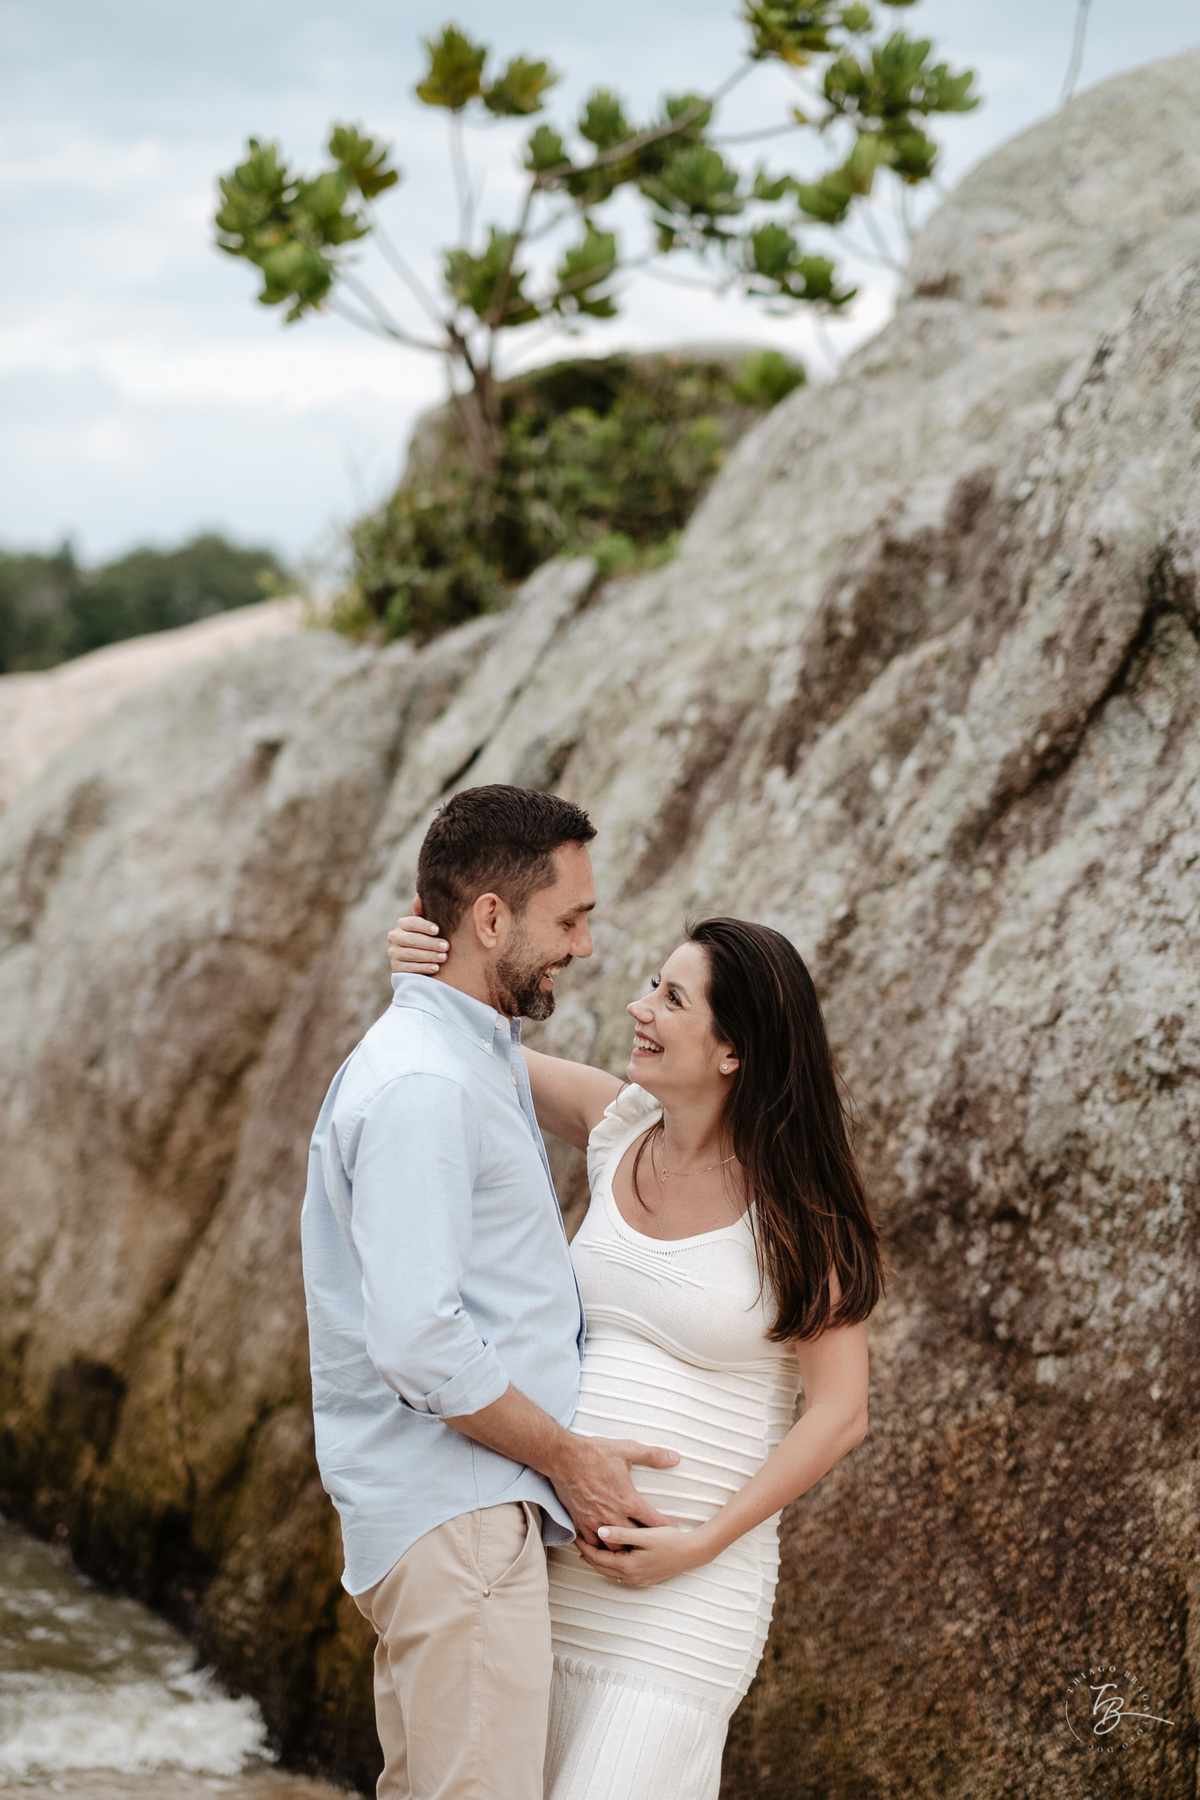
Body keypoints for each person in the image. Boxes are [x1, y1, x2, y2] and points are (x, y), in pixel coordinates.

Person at [387, 894, 884, 1800]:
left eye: (672, 1000)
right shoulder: (619, 1125)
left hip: (687, 1604)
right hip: (553, 1575)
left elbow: (842, 1414)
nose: (639, 1008)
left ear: (733, 1050)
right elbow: (474, 1047)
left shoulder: (803, 1211)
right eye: (654, 985)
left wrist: (701, 1544)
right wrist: (431, 955)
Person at [301, 784, 681, 1800]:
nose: (587, 946)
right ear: (490, 918)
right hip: (458, 1516)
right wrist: (574, 1461)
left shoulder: (473, 1054)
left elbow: (627, 1120)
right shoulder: (426, 1084)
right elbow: (419, 1339)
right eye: (572, 919)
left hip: (457, 1514)